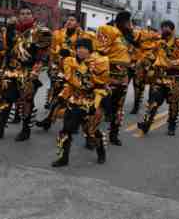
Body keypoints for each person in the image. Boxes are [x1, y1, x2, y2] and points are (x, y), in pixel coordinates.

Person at [0, 5, 52, 141]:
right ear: (18, 16)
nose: (25, 15)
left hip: (28, 72)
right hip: (11, 71)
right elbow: (8, 50)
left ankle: (26, 130)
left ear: (33, 16)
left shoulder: (41, 32)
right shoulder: (12, 31)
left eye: (28, 13)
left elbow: (44, 56)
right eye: (22, 13)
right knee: (5, 100)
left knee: (26, 102)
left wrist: (35, 72)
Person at [51, 38, 109, 167]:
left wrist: (96, 105)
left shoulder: (98, 64)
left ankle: (101, 152)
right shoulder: (70, 62)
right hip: (75, 101)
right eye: (78, 48)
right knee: (65, 130)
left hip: (91, 101)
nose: (80, 50)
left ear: (90, 51)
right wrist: (62, 96)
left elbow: (101, 87)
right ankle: (63, 158)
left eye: (84, 48)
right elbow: (70, 84)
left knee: (91, 131)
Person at [35, 14, 96, 133]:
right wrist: (53, 63)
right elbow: (52, 50)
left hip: (79, 73)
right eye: (68, 19)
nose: (69, 21)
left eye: (72, 20)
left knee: (81, 102)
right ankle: (48, 120)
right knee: (58, 97)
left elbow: (88, 53)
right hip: (61, 70)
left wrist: (70, 53)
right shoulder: (58, 34)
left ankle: (88, 133)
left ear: (77, 23)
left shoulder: (84, 35)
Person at [137, 20, 179, 136]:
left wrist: (170, 62)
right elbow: (152, 55)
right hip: (160, 78)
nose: (164, 30)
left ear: (172, 30)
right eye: (163, 28)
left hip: (174, 78)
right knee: (153, 102)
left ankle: (172, 126)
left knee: (173, 105)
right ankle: (146, 124)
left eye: (167, 28)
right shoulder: (159, 43)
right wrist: (147, 63)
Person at [96, 11, 134, 146]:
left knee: (118, 107)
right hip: (108, 74)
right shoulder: (109, 30)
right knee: (100, 105)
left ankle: (114, 134)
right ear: (123, 21)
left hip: (123, 76)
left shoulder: (128, 36)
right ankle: (91, 134)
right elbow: (100, 50)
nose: (131, 24)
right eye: (129, 21)